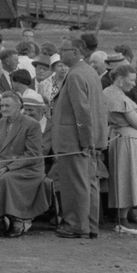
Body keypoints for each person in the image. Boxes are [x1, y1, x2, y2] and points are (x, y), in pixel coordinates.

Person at [51, 35, 107, 240]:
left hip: (75, 141)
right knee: (89, 183)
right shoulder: (89, 72)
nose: (59, 53)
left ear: (75, 52)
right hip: (88, 139)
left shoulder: (75, 75)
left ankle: (76, 225)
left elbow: (82, 113)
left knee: (76, 184)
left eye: (63, 50)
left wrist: (85, 141)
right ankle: (90, 225)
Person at [0, 91, 50, 236]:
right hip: (3, 168)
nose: (3, 109)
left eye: (7, 106)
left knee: (5, 180)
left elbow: (32, 154)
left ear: (18, 107)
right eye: (2, 105)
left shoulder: (31, 125)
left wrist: (7, 168)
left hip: (28, 169)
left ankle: (18, 220)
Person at [102, 65, 137, 234]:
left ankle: (125, 216)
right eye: (132, 80)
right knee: (128, 177)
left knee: (128, 177)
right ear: (120, 79)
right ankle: (122, 220)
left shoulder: (110, 92)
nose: (134, 84)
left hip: (124, 139)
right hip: (127, 141)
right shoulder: (117, 97)